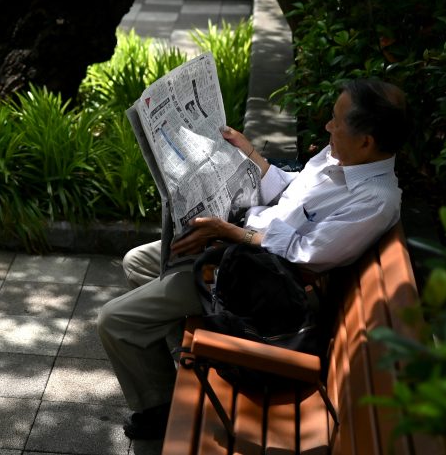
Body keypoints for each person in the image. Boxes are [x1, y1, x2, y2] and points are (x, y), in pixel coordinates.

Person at [97, 78, 408, 441]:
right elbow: (295, 193)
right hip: (242, 254)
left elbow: (304, 256)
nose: (328, 127)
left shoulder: (375, 200)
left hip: (264, 287)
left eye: (336, 121)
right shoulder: (340, 158)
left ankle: (160, 408)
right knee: (138, 261)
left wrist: (231, 233)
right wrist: (253, 158)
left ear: (366, 141)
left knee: (114, 321)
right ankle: (171, 363)